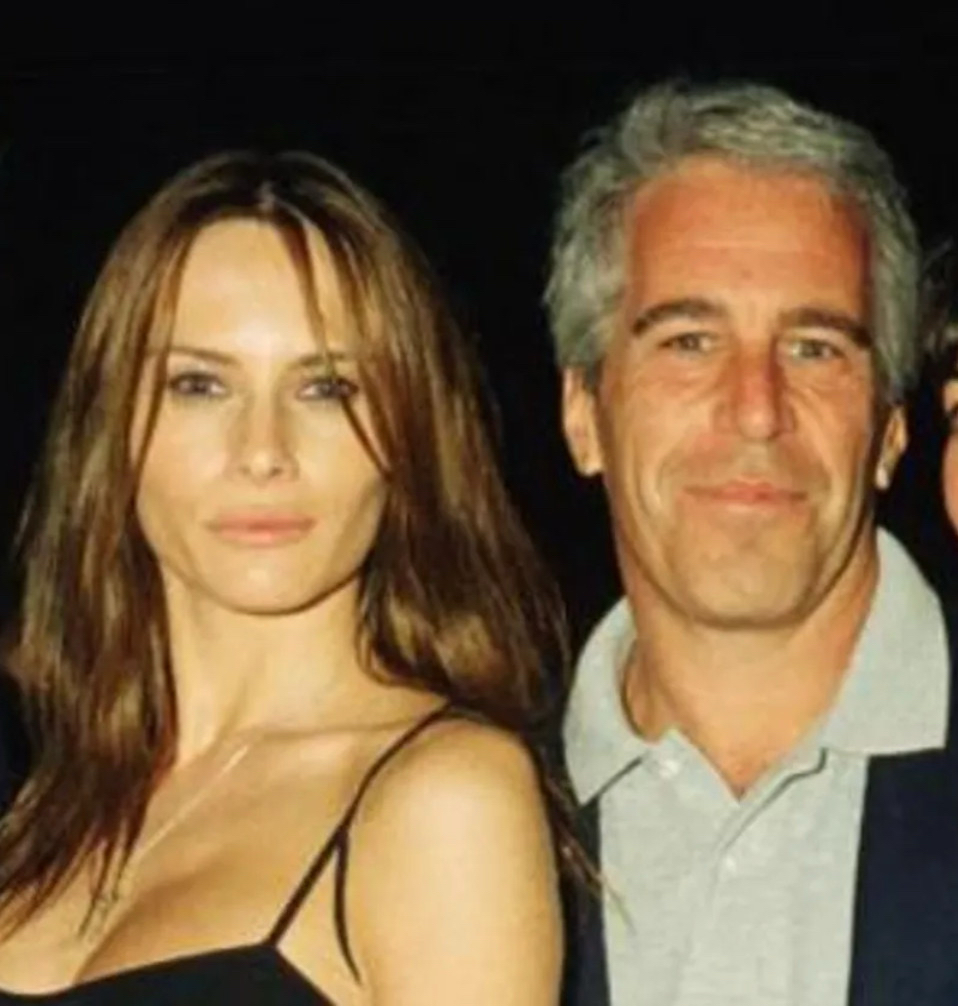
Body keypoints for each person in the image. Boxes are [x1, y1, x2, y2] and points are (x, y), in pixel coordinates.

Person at [0, 151, 564, 1003]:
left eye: (327, 388)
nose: (262, 451)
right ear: (111, 431)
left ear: (409, 437)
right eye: (199, 385)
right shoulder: (47, 809)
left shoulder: (444, 802)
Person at [547, 80, 958, 1006]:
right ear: (583, 415)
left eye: (815, 348)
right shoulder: (468, 815)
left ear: (890, 432)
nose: (757, 410)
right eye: (689, 341)